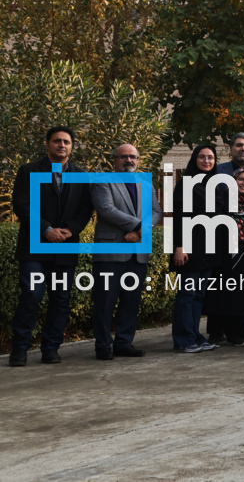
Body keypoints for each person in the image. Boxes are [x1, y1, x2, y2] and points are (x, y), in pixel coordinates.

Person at [10, 126, 92, 366]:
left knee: (60, 299)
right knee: (32, 295)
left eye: (66, 142)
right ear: (47, 144)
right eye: (57, 141)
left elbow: (86, 208)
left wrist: (71, 229)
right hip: (35, 247)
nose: (62, 145)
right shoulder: (28, 171)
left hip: (65, 246)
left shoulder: (81, 175)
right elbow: (21, 204)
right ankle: (20, 348)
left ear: (71, 146)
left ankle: (51, 349)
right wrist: (46, 228)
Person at [90, 144, 150, 360]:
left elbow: (156, 211)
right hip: (110, 251)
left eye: (133, 157)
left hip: (138, 253)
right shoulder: (102, 180)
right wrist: (139, 227)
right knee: (104, 301)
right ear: (114, 160)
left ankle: (124, 343)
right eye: (123, 156)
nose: (128, 160)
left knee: (131, 301)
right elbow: (106, 209)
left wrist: (139, 232)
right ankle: (103, 345)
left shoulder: (145, 184)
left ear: (138, 160)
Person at [203, 168, 244, 346]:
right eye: (240, 179)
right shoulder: (222, 200)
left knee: (239, 296)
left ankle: (234, 333)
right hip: (224, 254)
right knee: (220, 293)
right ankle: (215, 333)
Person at [171, 145, 219, 353]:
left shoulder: (215, 184)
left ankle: (195, 336)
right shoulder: (186, 183)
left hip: (208, 248)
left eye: (210, 157)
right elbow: (179, 216)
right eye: (202, 157)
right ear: (194, 159)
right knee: (187, 294)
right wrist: (179, 246)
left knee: (198, 295)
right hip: (189, 247)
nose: (206, 161)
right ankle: (183, 339)